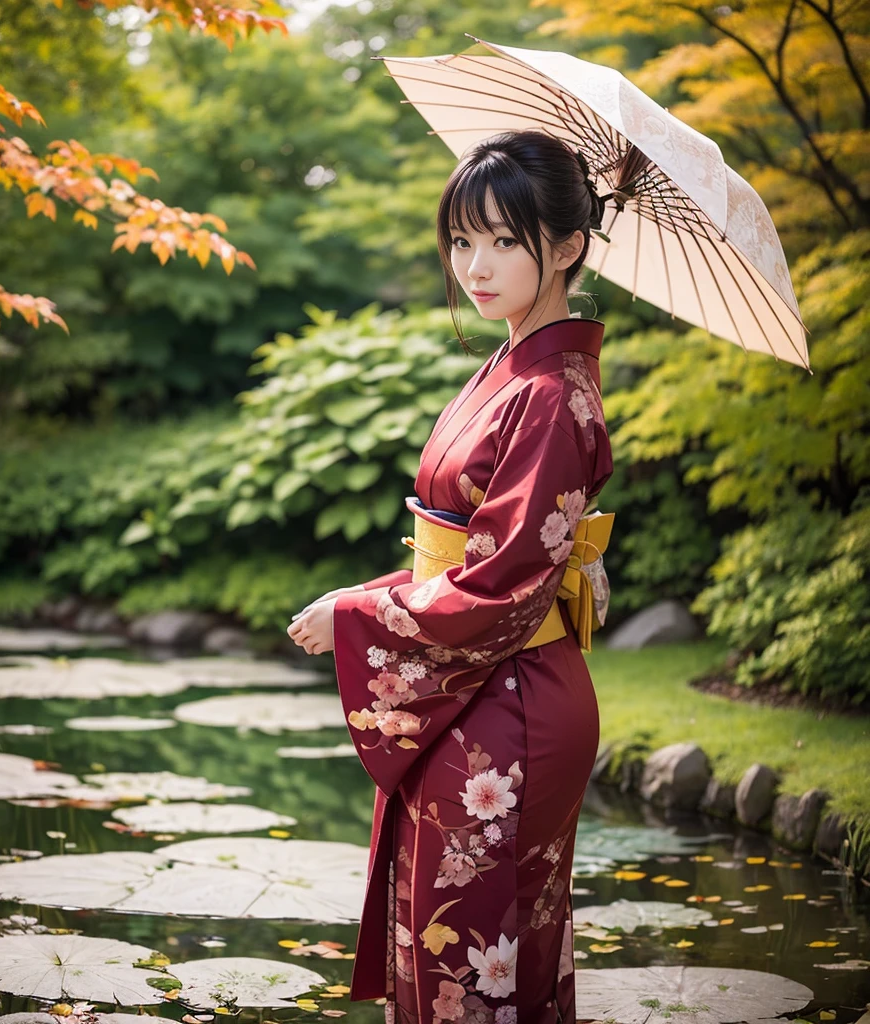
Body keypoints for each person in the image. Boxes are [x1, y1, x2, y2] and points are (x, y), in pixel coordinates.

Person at [287, 128, 614, 1024]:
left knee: (477, 960)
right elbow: (470, 550)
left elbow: (503, 581)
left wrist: (358, 611)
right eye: (463, 239)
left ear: (568, 246)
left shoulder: (550, 393)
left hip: (508, 695)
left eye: (506, 240)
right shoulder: (515, 365)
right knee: (459, 948)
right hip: (488, 686)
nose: (477, 263)